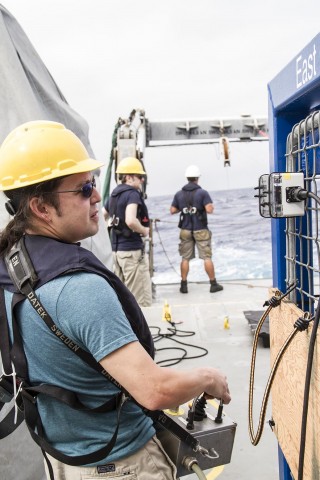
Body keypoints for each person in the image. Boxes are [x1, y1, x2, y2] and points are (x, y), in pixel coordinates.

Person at [0, 121, 231, 480]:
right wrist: (206, 377)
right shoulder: (78, 289)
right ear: (41, 208)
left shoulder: (11, 268)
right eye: (85, 188)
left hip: (64, 459)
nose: (97, 197)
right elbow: (154, 391)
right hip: (121, 464)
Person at [104, 156, 152, 307]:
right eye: (140, 177)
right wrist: (144, 230)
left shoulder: (114, 195)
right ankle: (141, 331)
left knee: (123, 299)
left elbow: (103, 216)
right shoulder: (132, 194)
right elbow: (131, 220)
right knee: (140, 300)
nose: (142, 180)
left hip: (116, 253)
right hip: (131, 253)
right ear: (129, 177)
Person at [170, 165, 223, 294]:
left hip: (185, 230)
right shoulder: (202, 193)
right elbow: (209, 210)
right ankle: (213, 284)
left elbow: (172, 210)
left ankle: (183, 285)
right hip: (201, 229)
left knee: (185, 258)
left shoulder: (179, 194)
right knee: (206, 257)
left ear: (187, 178)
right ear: (197, 178)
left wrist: (183, 208)